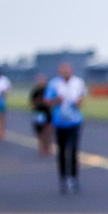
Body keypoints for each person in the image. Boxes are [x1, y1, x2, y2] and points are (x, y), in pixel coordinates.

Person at [44, 63, 87, 193]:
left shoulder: (78, 82)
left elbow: (82, 99)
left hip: (75, 121)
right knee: (62, 151)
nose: (66, 73)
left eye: (67, 70)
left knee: (73, 150)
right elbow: (47, 101)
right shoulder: (54, 84)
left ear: (71, 71)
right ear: (59, 72)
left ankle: (73, 178)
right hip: (59, 122)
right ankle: (63, 177)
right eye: (63, 71)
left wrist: (78, 102)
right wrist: (57, 100)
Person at [29, 74, 53, 156]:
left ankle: (48, 146)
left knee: (48, 131)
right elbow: (32, 103)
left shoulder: (49, 90)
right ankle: (41, 148)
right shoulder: (35, 91)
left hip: (48, 114)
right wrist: (39, 102)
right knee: (39, 132)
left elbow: (52, 102)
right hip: (38, 114)